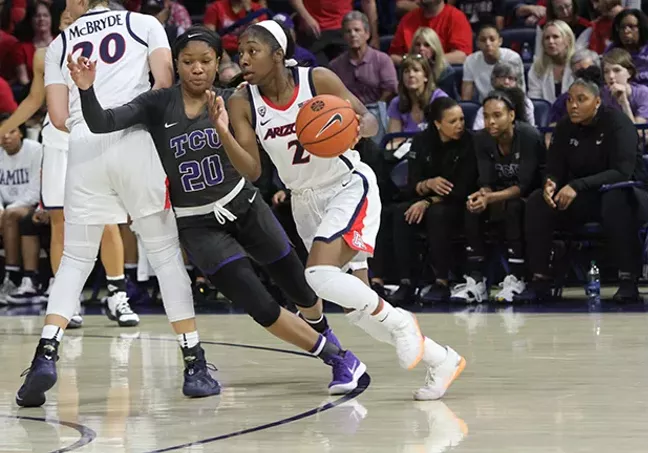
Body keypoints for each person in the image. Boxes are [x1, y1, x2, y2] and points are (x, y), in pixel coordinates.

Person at [69, 26, 366, 395]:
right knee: (258, 303)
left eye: (206, 61)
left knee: (299, 285)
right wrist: (86, 88)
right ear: (176, 64)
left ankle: (324, 332)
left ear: (217, 64)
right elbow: (102, 122)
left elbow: (255, 170)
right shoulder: (157, 102)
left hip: (245, 205)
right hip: (197, 224)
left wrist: (226, 129)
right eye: (188, 61)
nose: (197, 68)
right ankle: (339, 358)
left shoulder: (236, 101)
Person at [227, 19, 466, 400]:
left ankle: (402, 322)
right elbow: (254, 170)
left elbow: (370, 121)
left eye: (252, 51)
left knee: (318, 276)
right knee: (356, 306)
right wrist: (224, 131)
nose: (243, 59)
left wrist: (356, 128)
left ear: (278, 54)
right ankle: (442, 359)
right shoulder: (242, 101)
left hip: (347, 186)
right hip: (304, 201)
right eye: (240, 52)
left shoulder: (316, 79)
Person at [16, 0, 219, 408]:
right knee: (164, 255)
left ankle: (46, 353)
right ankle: (194, 362)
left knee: (75, 259)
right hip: (135, 140)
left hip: (83, 149)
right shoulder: (143, 23)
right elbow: (164, 86)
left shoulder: (59, 43)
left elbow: (57, 116)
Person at [0, 8, 136, 329]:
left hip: (95, 140)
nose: (69, 19)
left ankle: (117, 294)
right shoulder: (46, 55)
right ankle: (68, 297)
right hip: (58, 143)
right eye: (66, 14)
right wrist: (8, 126)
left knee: (105, 220)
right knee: (60, 222)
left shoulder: (109, 51)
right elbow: (35, 98)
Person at [519, 77, 648, 302]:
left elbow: (622, 172)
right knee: (537, 202)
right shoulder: (564, 127)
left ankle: (628, 280)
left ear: (597, 101)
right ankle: (540, 279)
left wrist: (576, 185)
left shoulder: (617, 123)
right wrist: (550, 183)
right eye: (570, 100)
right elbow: (553, 167)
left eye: (581, 100)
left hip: (630, 194)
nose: (573, 105)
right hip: (586, 197)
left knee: (615, 199)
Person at [371, 97, 478, 305]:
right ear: (437, 124)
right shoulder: (421, 141)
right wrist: (427, 184)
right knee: (399, 212)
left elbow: (464, 187)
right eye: (453, 121)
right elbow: (411, 184)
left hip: (458, 203)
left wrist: (428, 201)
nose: (460, 126)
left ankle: (442, 280)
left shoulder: (470, 142)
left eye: (462, 120)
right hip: (424, 200)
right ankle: (406, 281)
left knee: (437, 214)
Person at [454, 91, 545, 303]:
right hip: (498, 195)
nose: (490, 122)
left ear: (511, 115)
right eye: (486, 116)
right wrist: (481, 195)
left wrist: (490, 197)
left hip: (530, 197)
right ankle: (476, 280)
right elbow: (486, 180)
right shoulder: (482, 139)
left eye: (497, 115)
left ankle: (517, 277)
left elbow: (523, 186)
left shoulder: (529, 136)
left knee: (513, 206)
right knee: (472, 206)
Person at [0, 113, 42, 304]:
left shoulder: (35, 150)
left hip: (32, 206)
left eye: (11, 131)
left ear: (21, 133)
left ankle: (13, 277)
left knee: (12, 216)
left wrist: (8, 210)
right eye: (2, 133)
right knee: (8, 216)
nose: (6, 137)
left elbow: (35, 190)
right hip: (7, 209)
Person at [329, 11, 397, 105]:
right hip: (348, 111)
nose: (353, 35)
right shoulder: (335, 66)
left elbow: (390, 90)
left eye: (357, 30)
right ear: (344, 37)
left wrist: (376, 109)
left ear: (367, 34)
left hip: (379, 110)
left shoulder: (383, 60)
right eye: (348, 31)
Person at [387, 54, 449, 149]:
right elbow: (394, 140)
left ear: (426, 77)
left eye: (416, 70)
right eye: (406, 71)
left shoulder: (440, 99)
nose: (411, 75)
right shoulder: (396, 103)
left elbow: (446, 136)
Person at [290, 0, 379, 66]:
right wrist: (306, 17)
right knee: (318, 75)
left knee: (348, 73)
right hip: (313, 31)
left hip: (344, 31)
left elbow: (368, 2)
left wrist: (374, 35)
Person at [389, 0, 473, 65]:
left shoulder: (456, 17)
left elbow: (461, 56)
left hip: (443, 78)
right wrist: (410, 62)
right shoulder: (408, 19)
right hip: (412, 78)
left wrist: (429, 62)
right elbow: (394, 56)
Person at [462, 24, 525, 102]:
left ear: (500, 41)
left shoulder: (513, 58)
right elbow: (466, 97)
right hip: (484, 106)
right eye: (483, 40)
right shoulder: (471, 61)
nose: (488, 43)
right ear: (477, 43)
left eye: (492, 39)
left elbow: (519, 91)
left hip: (510, 103)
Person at [606, 9, 648, 88]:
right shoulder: (613, 50)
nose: (626, 31)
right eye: (622, 27)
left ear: (641, 27)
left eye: (631, 26)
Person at [472, 62, 535, 130]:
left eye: (510, 78)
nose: (506, 82)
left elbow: (531, 129)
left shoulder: (526, 103)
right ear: (494, 80)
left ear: (517, 82)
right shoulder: (488, 103)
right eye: (502, 77)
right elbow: (478, 130)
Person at [602, 48, 648, 125]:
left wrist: (624, 103)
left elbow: (638, 133)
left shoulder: (645, 94)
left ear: (629, 73)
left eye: (617, 70)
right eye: (606, 72)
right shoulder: (603, 94)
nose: (611, 76)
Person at [527, 20, 575, 103]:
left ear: (568, 40)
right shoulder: (537, 67)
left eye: (555, 37)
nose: (551, 41)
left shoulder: (579, 64)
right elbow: (536, 101)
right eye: (547, 38)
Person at [11, 1, 54, 88]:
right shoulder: (21, 48)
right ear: (31, 20)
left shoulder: (62, 41)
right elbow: (24, 81)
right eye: (37, 16)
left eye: (45, 15)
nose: (41, 19)